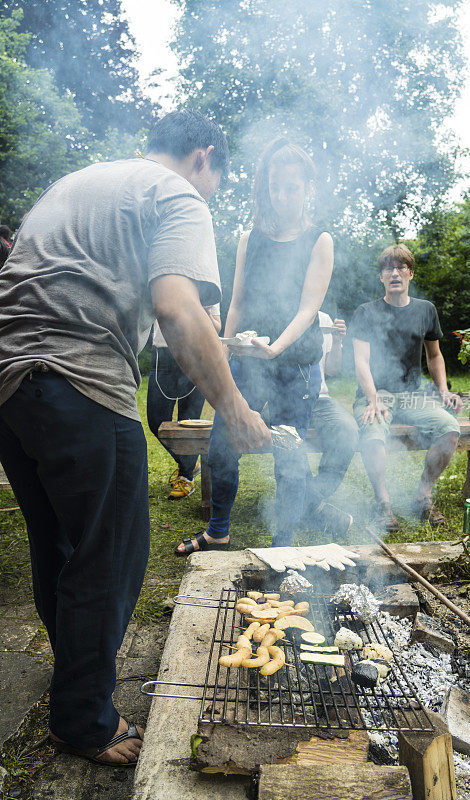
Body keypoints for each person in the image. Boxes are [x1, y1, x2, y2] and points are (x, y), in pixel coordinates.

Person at [0, 109, 269, 767]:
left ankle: (76, 682)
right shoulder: (177, 193)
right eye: (217, 183)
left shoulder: (85, 182)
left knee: (61, 545)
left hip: (10, 382)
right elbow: (176, 308)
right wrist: (233, 408)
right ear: (204, 156)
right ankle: (86, 719)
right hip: (81, 380)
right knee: (113, 555)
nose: (211, 196)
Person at [176, 137, 334, 554]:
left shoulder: (319, 240)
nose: (282, 197)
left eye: (292, 188)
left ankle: (284, 543)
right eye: (275, 188)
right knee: (222, 447)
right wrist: (226, 353)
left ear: (307, 189)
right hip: (247, 364)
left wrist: (276, 348)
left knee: (290, 456)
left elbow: (307, 309)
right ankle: (218, 530)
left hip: (295, 366)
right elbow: (238, 305)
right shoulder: (251, 239)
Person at [351, 244, 462, 532]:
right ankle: (383, 504)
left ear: (410, 273)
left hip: (414, 395)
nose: (395, 273)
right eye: (388, 268)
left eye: (401, 267)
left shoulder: (426, 310)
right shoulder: (366, 312)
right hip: (376, 395)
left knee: (450, 429)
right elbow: (361, 362)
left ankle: (423, 496)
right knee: (374, 433)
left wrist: (443, 391)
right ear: (381, 277)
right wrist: (372, 399)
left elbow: (434, 356)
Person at [147, 305, 221, 499]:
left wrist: (202, 311)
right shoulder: (160, 275)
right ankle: (190, 463)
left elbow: (216, 326)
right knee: (156, 421)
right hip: (162, 354)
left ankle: (186, 477)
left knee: (189, 421)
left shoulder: (205, 281)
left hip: (196, 354)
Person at [302, 310, 359, 535]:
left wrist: (337, 341)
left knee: (348, 430)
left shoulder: (324, 320)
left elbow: (332, 370)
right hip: (279, 398)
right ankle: (312, 506)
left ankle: (310, 498)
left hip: (319, 398)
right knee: (288, 435)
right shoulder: (278, 310)